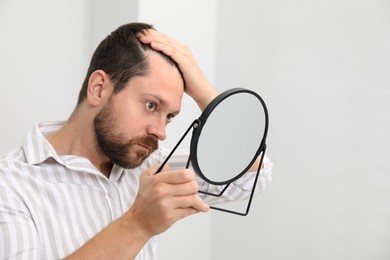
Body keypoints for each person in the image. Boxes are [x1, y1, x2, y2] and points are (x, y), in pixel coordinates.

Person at [0, 22, 273, 259]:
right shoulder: (10, 186)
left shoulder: (150, 165)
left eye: (169, 117)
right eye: (152, 105)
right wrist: (138, 224)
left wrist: (205, 94)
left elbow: (252, 176)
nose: (161, 132)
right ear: (99, 88)